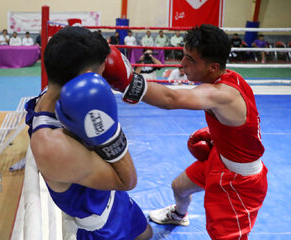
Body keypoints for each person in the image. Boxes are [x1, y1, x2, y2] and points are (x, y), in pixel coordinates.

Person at [101, 24, 268, 240]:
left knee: (224, 236)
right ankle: (179, 214)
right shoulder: (229, 77)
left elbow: (172, 99)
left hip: (239, 182)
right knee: (179, 187)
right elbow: (245, 121)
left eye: (191, 59)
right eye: (184, 55)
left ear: (213, 67)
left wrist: (128, 82)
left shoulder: (222, 93)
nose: (182, 64)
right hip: (220, 157)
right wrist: (217, 134)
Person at [24, 26, 152, 240]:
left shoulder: (54, 91)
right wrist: (110, 133)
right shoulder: (52, 145)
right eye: (102, 74)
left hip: (109, 194)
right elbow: (127, 181)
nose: (104, 80)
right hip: (101, 224)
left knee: (145, 234)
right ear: (87, 78)